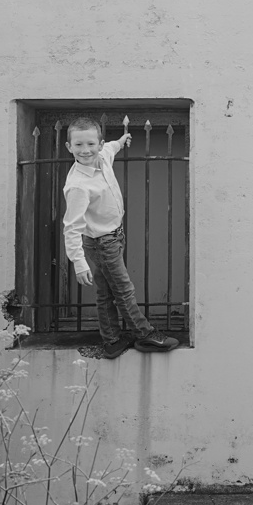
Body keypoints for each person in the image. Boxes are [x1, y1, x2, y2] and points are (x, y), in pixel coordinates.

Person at [62, 117, 179, 359]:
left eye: (91, 144)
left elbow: (111, 147)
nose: (86, 150)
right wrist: (79, 262)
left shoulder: (103, 156)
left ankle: (112, 341)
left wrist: (122, 140)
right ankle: (144, 334)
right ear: (69, 147)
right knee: (124, 290)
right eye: (79, 145)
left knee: (105, 292)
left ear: (99, 143)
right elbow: (71, 227)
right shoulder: (78, 185)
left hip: (114, 237)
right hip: (101, 243)